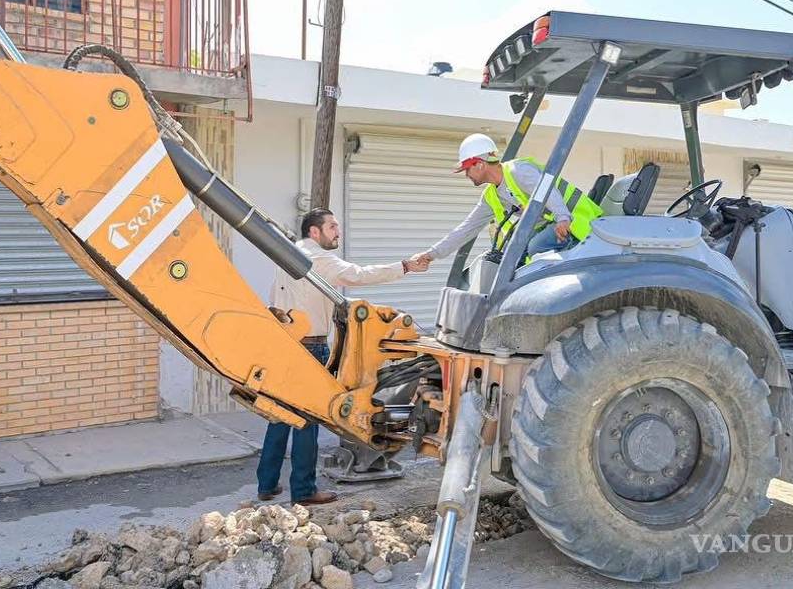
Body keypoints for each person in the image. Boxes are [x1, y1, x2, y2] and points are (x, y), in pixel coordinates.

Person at [257, 207, 428, 505]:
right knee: (308, 419)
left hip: (286, 342)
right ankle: (304, 490)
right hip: (311, 346)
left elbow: (276, 297)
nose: (338, 231)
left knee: (280, 415)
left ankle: (267, 484)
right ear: (315, 232)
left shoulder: (286, 255)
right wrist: (406, 266)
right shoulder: (320, 259)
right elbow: (359, 275)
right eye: (332, 226)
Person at [411, 133, 602, 266]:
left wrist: (563, 217)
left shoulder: (518, 171)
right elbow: (466, 228)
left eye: (467, 169)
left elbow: (547, 191)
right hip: (552, 226)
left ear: (479, 164)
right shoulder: (491, 195)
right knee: (509, 257)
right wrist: (431, 254)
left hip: (577, 222)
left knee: (535, 246)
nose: (466, 175)